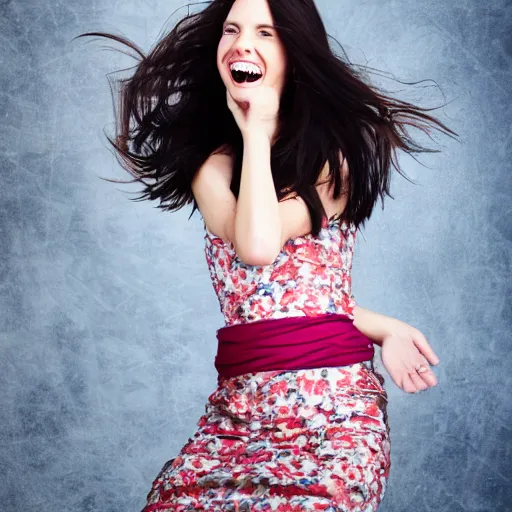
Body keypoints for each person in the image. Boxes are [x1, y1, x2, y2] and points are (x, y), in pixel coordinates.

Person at [77, 0, 457, 509]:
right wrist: (381, 324)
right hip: (234, 424)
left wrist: (257, 131)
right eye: (231, 29)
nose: (243, 42)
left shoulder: (334, 163)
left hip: (333, 421)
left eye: (266, 32)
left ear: (294, 54)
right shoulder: (211, 167)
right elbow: (270, 281)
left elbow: (260, 248)